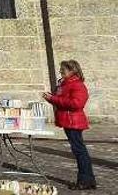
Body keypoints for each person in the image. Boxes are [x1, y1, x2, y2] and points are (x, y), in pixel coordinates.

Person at [43, 60, 96, 190]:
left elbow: (76, 104)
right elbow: (61, 103)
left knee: (79, 151)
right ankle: (87, 179)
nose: (60, 72)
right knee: (78, 150)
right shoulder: (65, 84)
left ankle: (86, 180)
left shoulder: (77, 85)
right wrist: (50, 99)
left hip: (74, 121)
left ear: (72, 71)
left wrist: (53, 99)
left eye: (63, 70)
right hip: (68, 120)